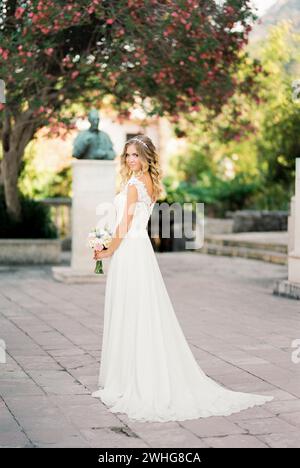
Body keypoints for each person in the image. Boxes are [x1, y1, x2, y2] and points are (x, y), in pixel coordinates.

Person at [91, 134, 274, 422]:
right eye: (127, 155)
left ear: (146, 157)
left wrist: (106, 250)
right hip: (141, 252)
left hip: (129, 251)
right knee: (141, 312)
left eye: (135, 155)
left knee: (132, 311)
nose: (130, 160)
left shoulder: (134, 186)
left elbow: (124, 226)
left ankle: (133, 379)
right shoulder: (149, 185)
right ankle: (137, 372)